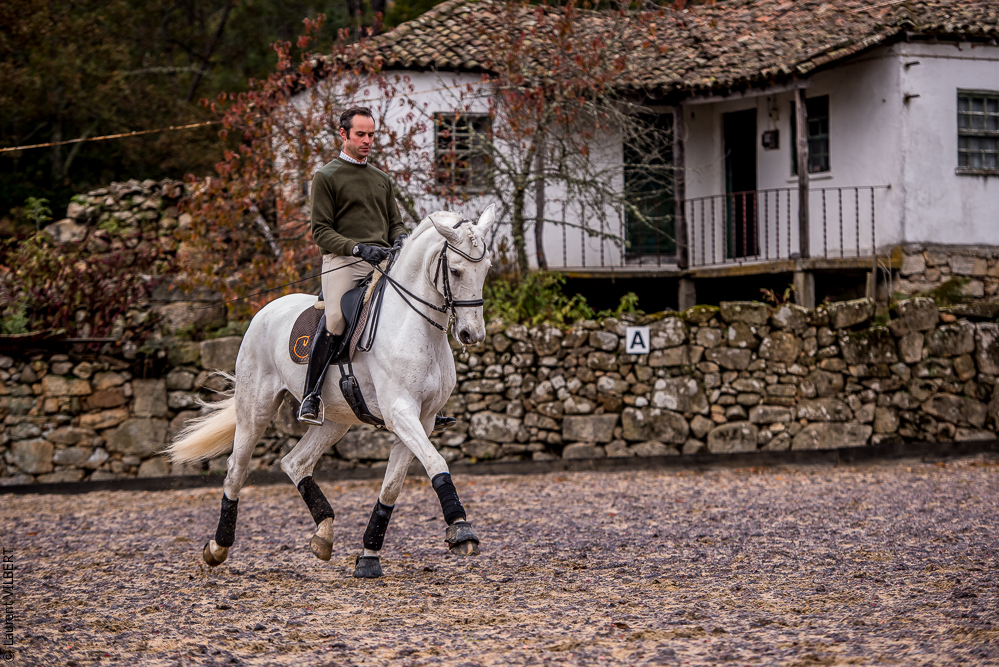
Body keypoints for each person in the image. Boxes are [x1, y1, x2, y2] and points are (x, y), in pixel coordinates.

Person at [298, 107, 408, 423]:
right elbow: (321, 232)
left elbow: (395, 224)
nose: (367, 141)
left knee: (412, 310)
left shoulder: (382, 179)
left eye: (371, 135)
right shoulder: (325, 176)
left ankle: (424, 398)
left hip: (382, 260)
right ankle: (311, 395)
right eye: (360, 134)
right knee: (334, 319)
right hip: (343, 260)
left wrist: (400, 239)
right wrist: (357, 247)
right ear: (343, 134)